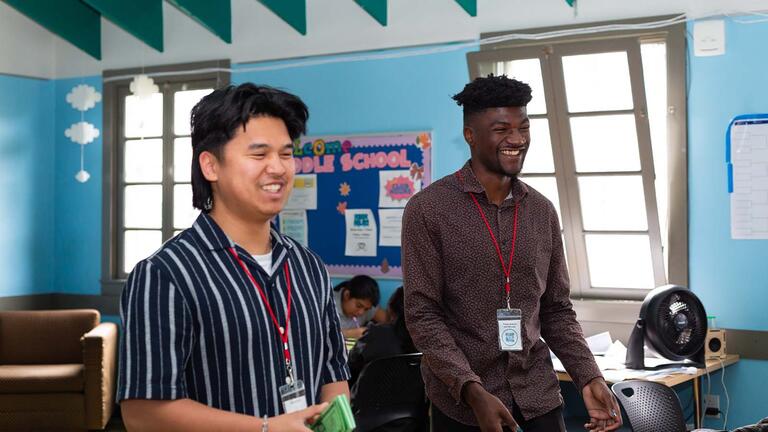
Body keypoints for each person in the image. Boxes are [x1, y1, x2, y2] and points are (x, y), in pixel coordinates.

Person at [117, 83, 350, 432]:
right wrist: (266, 428)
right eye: (259, 155)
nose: (278, 168)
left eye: (286, 154)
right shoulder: (164, 275)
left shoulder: (309, 266)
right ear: (210, 166)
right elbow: (143, 413)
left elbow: (332, 374)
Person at [402, 75, 622, 432]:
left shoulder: (541, 211)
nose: (517, 139)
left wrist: (588, 375)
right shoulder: (428, 210)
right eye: (502, 129)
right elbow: (423, 316)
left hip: (539, 399)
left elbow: (556, 310)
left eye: (523, 128)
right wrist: (471, 390)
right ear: (470, 135)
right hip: (465, 406)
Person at [347, 286, 417, 384]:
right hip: (412, 398)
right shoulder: (428, 340)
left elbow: (351, 363)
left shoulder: (377, 334)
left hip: (366, 396)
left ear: (391, 308)